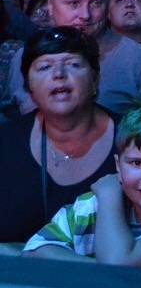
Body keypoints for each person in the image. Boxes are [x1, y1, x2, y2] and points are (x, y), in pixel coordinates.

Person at [23, 102, 141, 268]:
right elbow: (33, 252)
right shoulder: (92, 204)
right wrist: (100, 269)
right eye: (136, 163)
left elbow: (117, 267)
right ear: (118, 166)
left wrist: (109, 196)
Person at [0, 27, 117, 243]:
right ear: (29, 87)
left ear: (95, 80)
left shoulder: (132, 140)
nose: (59, 74)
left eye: (73, 64)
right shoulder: (5, 144)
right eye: (44, 67)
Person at [7, 0, 141, 116]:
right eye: (74, 3)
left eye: (96, 3)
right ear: (50, 5)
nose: (85, 15)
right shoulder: (24, 58)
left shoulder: (140, 61)